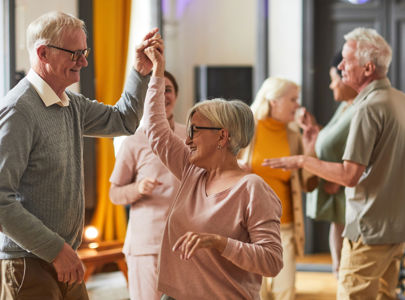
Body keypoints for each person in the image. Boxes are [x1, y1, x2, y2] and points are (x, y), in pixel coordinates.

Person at [0, 11, 162, 299]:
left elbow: (123, 120)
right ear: (43, 53)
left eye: (84, 52)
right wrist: (55, 250)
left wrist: (139, 71)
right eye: (75, 54)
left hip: (63, 256)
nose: (84, 62)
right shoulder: (18, 111)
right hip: (29, 262)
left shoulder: (70, 104)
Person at [264, 27, 405, 299]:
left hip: (369, 229)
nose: (340, 65)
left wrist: (303, 160)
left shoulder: (366, 107)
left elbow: (349, 175)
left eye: (347, 60)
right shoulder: (399, 100)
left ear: (368, 68)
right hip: (397, 229)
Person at [140, 44, 283, 300]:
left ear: (222, 136)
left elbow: (272, 260)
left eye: (195, 130)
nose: (187, 139)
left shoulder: (252, 188)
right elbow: (156, 129)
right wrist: (157, 72)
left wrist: (219, 242)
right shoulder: (191, 170)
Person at [109, 71, 186, 300]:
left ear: (176, 96)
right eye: (156, 89)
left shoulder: (190, 137)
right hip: (148, 246)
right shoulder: (134, 140)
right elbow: (114, 193)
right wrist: (138, 188)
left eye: (168, 89)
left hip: (186, 244)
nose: (163, 95)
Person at [240, 77, 317, 300]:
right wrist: (236, 168)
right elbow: (221, 170)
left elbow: (309, 185)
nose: (298, 105)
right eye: (292, 99)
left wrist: (309, 151)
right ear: (273, 101)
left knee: (285, 292)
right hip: (248, 227)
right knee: (255, 293)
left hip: (285, 228)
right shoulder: (246, 130)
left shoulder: (293, 136)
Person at [302, 52, 358, 278]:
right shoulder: (345, 106)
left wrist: (341, 182)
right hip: (338, 194)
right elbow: (335, 139)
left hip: (347, 191)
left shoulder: (359, 109)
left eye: (334, 77)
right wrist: (317, 131)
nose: (331, 83)